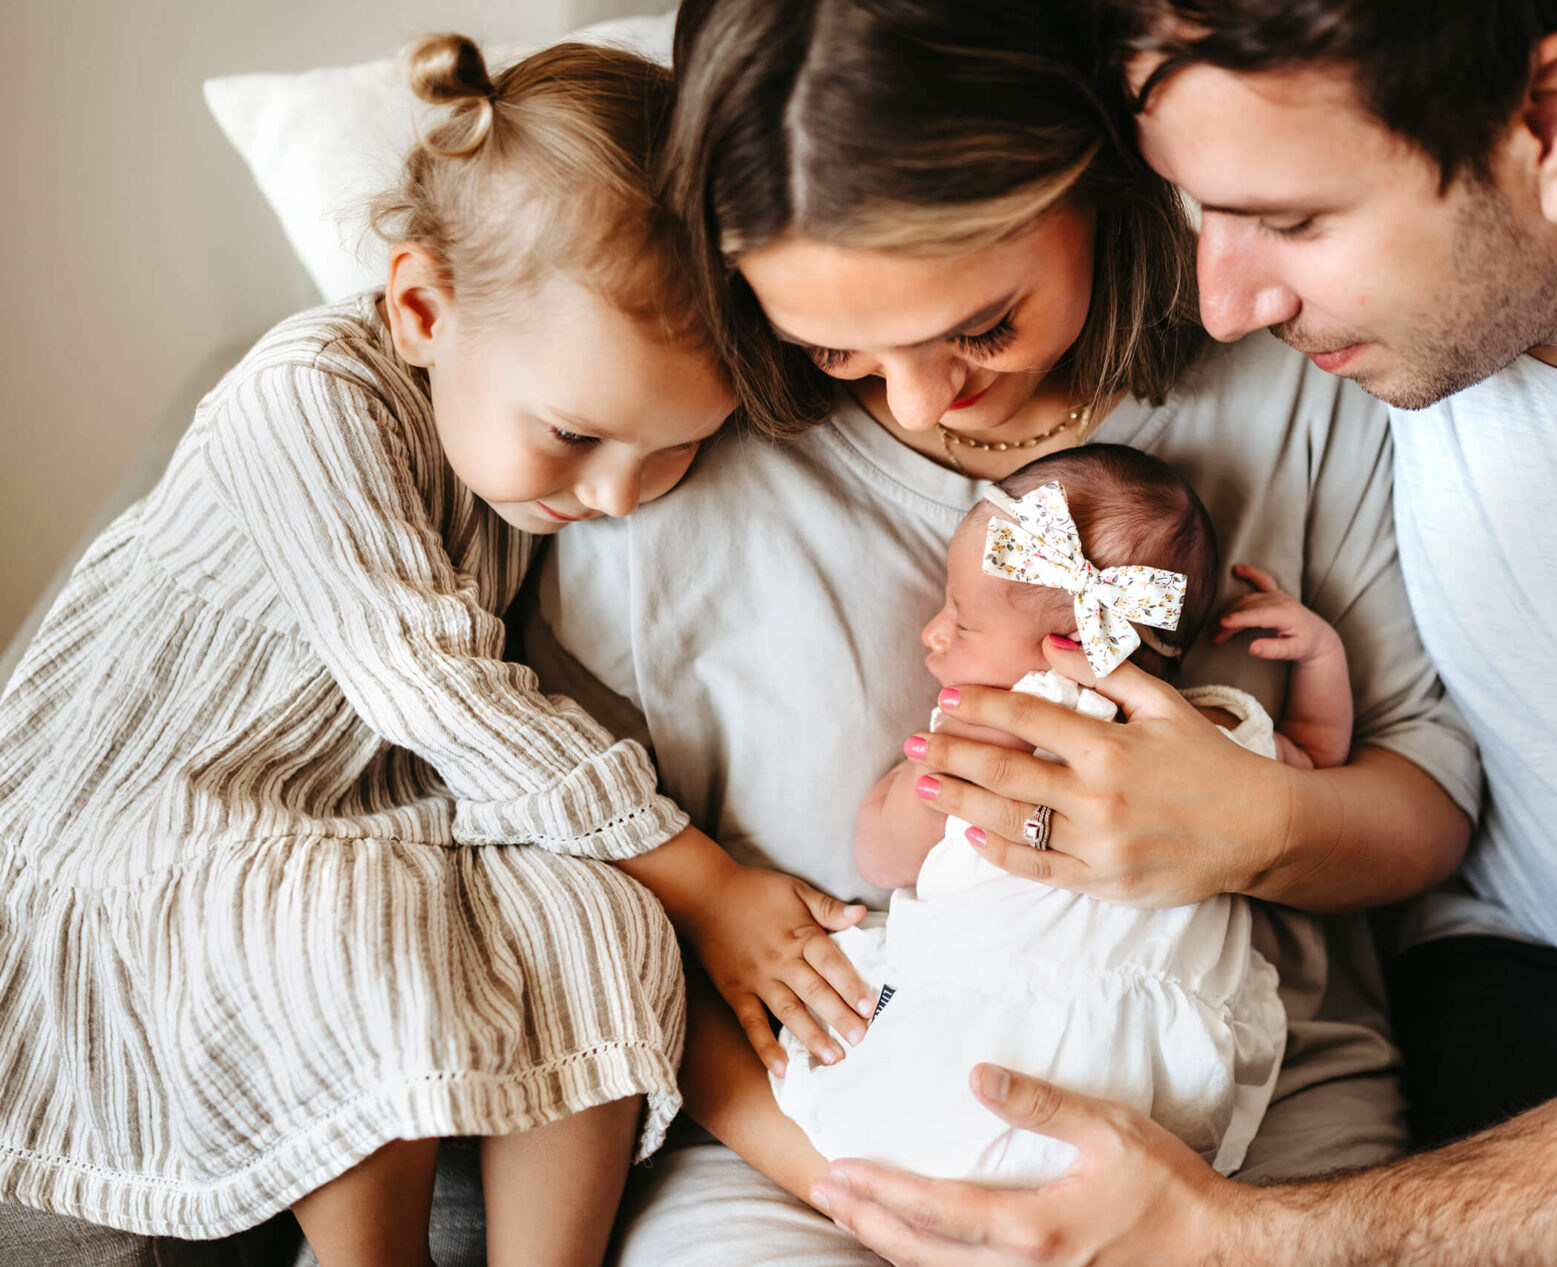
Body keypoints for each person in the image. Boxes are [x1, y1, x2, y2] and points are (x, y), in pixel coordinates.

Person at [809, 2, 1557, 1265]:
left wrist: (1230, 1237)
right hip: (1497, 983)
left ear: (1549, 124)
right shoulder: (1408, 288)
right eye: (1196, 207)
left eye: (1288, 222)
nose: (1220, 305)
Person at [526, 1, 1481, 1261]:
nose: (921, 395)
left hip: (1247, 1141)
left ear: (1101, 170)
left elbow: (1426, 807)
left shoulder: (1297, 368)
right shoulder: (649, 474)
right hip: (805, 1147)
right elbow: (573, 901)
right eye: (835, 349)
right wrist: (854, 1180)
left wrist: (1260, 825)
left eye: (980, 325)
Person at [0, 34, 844, 1267]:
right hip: (151, 818)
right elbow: (436, 686)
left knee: (598, 913)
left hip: (364, 809)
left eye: (674, 451)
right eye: (575, 433)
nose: (618, 495)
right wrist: (713, 889)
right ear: (419, 307)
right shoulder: (304, 399)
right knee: (348, 913)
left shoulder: (529, 477)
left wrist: (661, 892)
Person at [764, 443, 1353, 1187]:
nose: (932, 632)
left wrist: (934, 756)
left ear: (1070, 649)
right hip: (1151, 1091)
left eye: (963, 622)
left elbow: (881, 858)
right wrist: (1323, 658)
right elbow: (1317, 762)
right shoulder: (1216, 739)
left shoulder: (986, 734)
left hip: (966, 1054)